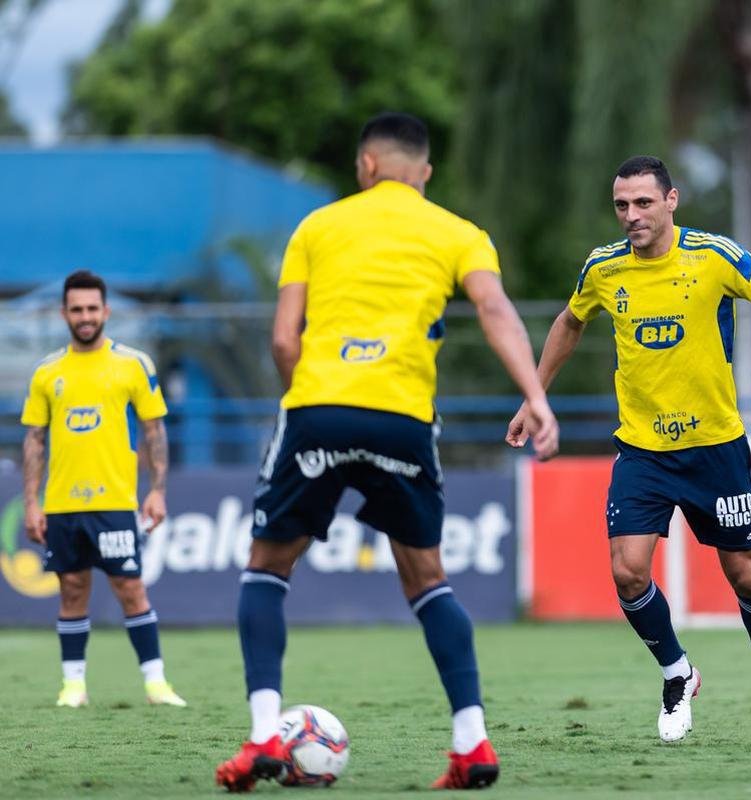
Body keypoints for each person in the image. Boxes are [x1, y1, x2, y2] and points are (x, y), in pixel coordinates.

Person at [214, 112, 559, 792]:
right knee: (428, 580)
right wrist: (536, 397)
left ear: (365, 165)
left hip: (318, 410)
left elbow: (285, 340)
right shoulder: (460, 233)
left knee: (265, 571)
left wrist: (311, 409)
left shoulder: (317, 227)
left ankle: (261, 739)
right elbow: (494, 311)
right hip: (403, 421)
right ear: (423, 173)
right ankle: (472, 745)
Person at [507, 155, 751, 747]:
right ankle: (678, 674)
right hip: (642, 448)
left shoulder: (715, 256)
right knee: (627, 571)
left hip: (715, 446)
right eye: (622, 204)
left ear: (672, 201)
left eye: (644, 202)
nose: (631, 215)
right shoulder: (603, 268)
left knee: (746, 576)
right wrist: (534, 396)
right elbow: (570, 322)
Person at [21, 269, 186, 710]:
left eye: (93, 308)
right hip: (61, 505)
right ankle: (73, 686)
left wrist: (157, 491)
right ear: (64, 314)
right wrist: (32, 501)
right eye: (77, 309)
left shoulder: (133, 364)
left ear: (106, 311)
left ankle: (156, 685)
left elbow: (154, 430)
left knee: (130, 588)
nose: (85, 316)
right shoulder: (47, 373)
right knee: (72, 589)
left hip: (115, 501)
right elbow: (35, 438)